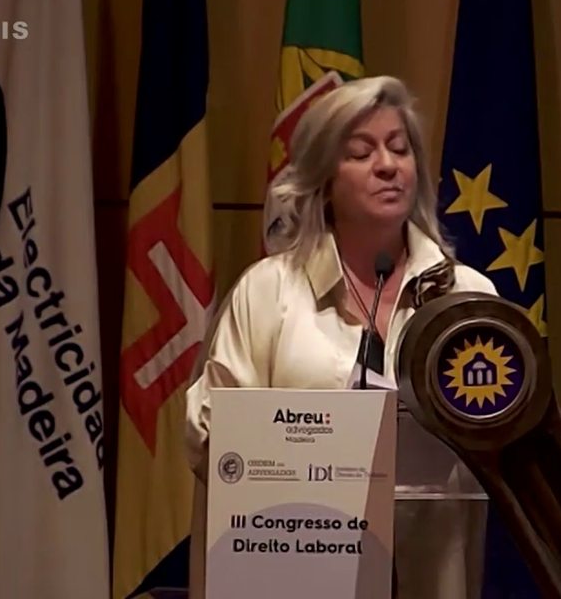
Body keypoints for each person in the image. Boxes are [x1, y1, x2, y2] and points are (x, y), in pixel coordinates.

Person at [185, 75, 497, 599]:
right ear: (324, 179)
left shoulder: (467, 297)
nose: (388, 165)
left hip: (428, 571)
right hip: (294, 566)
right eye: (361, 152)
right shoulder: (268, 292)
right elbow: (208, 433)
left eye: (399, 148)